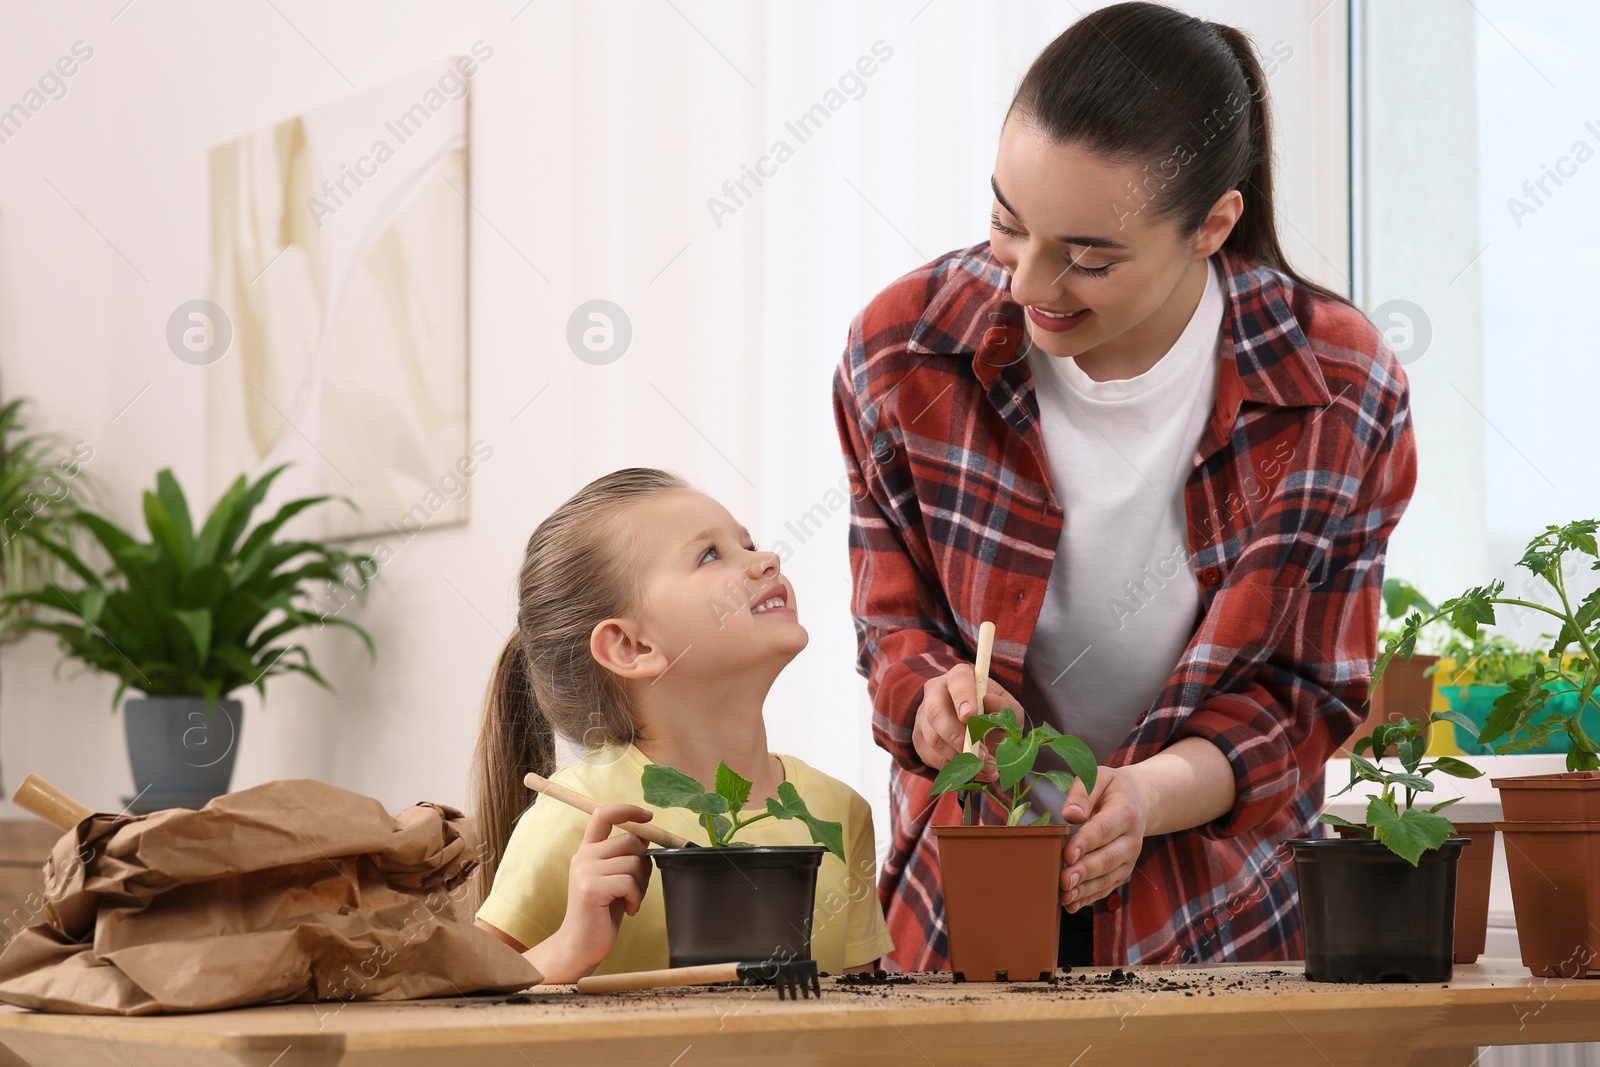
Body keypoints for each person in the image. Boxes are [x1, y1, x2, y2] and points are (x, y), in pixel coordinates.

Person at [831, 2, 1416, 970]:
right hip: (966, 899)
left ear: (1213, 223)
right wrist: (932, 697)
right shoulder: (902, 350)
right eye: (1006, 226)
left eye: (1088, 255)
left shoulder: (1338, 384)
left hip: (1216, 915)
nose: (1028, 284)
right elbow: (891, 629)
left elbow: (1307, 695)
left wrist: (1144, 795)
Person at [471, 468, 894, 982]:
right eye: (710, 554)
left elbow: (869, 1019)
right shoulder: (579, 817)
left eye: (748, 543)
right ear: (632, 647)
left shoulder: (842, 813)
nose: (768, 559)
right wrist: (568, 949)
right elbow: (465, 1009)